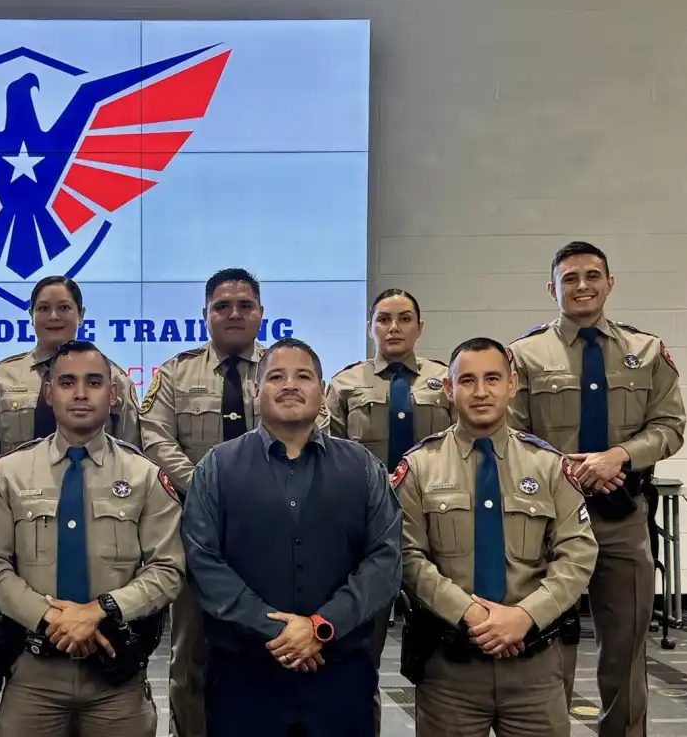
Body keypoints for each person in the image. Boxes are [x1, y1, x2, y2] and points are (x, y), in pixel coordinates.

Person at [180, 337, 402, 737]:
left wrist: (321, 626)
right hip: (243, 677)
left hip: (340, 676)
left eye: (304, 376)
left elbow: (385, 559)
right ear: (255, 390)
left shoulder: (363, 467)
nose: (290, 385)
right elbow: (203, 560)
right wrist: (278, 631)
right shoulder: (216, 467)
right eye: (276, 376)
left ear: (322, 391)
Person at [507, 241, 685, 737]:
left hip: (622, 517)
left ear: (609, 283)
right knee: (546, 647)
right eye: (569, 278)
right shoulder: (523, 355)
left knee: (626, 650)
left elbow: (670, 425)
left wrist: (619, 457)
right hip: (546, 524)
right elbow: (511, 431)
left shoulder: (645, 351)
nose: (581, 286)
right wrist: (572, 467)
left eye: (591, 276)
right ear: (552, 289)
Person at [140, 268, 328, 737]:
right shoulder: (173, 373)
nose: (234, 314)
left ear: (261, 314)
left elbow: (312, 431)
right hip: (195, 537)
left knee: (277, 637)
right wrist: (210, 491)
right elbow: (156, 441)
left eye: (245, 305)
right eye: (222, 306)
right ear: (205, 314)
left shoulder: (286, 371)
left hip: (279, 535)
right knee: (192, 654)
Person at [0, 340, 184, 736]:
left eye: (94, 382)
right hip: (33, 675)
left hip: (117, 677)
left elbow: (168, 569)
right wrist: (49, 616)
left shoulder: (144, 476)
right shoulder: (10, 473)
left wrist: (100, 610)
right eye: (67, 382)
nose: (82, 393)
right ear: (48, 393)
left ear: (114, 393)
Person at [397, 337, 598, 735]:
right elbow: (408, 556)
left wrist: (525, 616)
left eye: (492, 378)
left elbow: (577, 555)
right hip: (450, 671)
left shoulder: (549, 465)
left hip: (534, 669)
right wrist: (473, 616)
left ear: (512, 385)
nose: (481, 391)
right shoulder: (419, 468)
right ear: (449, 390)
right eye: (467, 380)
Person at [323, 287, 454, 734]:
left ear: (420, 325)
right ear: (370, 327)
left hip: (436, 531)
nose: (393, 328)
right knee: (359, 655)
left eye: (403, 318)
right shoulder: (345, 383)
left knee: (441, 655)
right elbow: (328, 459)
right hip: (367, 534)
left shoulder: (446, 380)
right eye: (383, 319)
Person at [0, 275, 141, 475]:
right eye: (43, 308)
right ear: (31, 315)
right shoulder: (1, 378)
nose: (53, 316)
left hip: (95, 497)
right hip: (15, 498)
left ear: (80, 315)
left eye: (64, 308)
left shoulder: (114, 379)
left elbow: (132, 453)